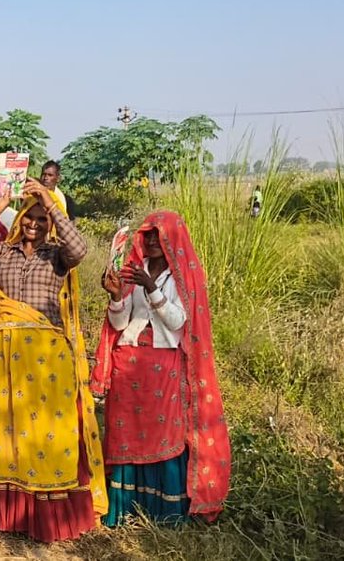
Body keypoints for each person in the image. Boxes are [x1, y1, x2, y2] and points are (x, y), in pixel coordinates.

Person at [0, 178, 107, 543]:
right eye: (29, 217)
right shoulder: (4, 252)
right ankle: (5, 511)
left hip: (44, 359)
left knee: (44, 431)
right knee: (5, 427)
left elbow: (81, 249)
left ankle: (47, 514)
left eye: (41, 219)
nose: (34, 224)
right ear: (20, 218)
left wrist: (49, 201)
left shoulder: (57, 254)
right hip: (5, 355)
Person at [92, 211, 231, 526]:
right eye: (148, 235)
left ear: (172, 239)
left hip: (163, 365)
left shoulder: (183, 276)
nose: (152, 240)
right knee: (125, 434)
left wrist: (152, 288)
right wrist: (116, 297)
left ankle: (164, 513)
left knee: (163, 433)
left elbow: (178, 321)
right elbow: (120, 322)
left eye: (158, 235)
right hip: (127, 361)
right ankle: (124, 509)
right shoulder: (134, 270)